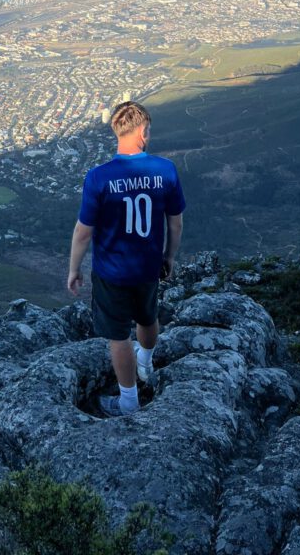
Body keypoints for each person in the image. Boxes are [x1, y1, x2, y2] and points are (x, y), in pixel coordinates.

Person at [67, 100, 185, 416]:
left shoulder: (99, 177)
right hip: (148, 265)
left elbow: (83, 232)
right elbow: (175, 222)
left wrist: (74, 268)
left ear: (117, 131)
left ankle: (129, 401)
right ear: (143, 132)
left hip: (112, 271)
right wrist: (169, 257)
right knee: (148, 318)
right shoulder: (165, 170)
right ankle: (145, 363)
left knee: (118, 336)